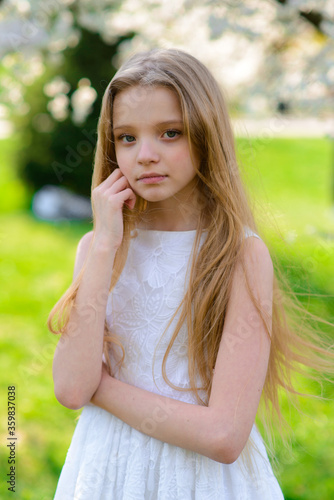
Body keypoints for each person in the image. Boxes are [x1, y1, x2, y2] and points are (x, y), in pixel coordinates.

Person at [48, 48, 334, 499]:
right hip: (107, 470)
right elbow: (68, 386)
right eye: (126, 137)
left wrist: (101, 390)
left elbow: (223, 435)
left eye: (170, 133)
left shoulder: (238, 255)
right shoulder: (98, 249)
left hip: (198, 480)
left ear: (206, 134)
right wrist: (104, 245)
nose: (145, 155)